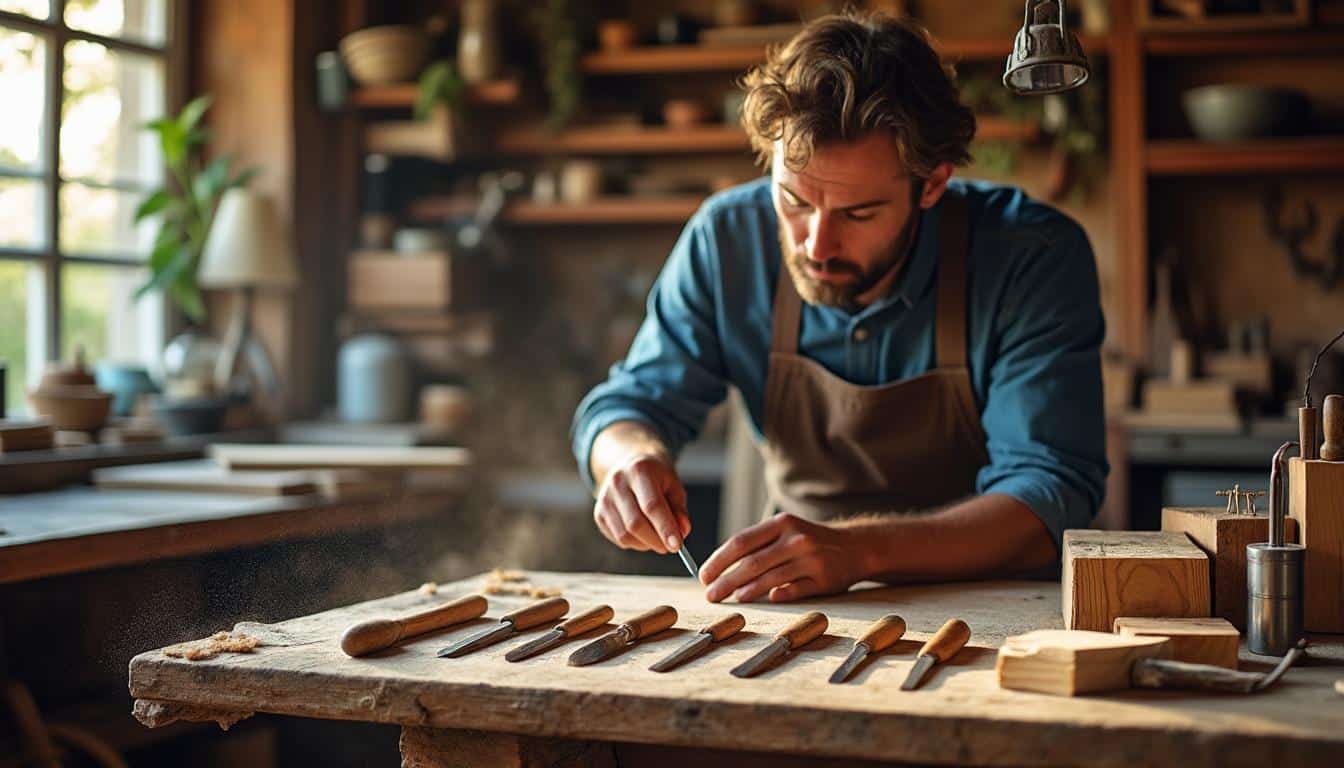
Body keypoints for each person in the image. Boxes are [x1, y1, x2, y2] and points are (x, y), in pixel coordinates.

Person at [571, 11, 1108, 604]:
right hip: (793, 605)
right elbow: (630, 405)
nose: (816, 245)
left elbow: (1047, 496)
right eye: (794, 200)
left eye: (857, 214)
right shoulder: (727, 241)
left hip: (989, 611)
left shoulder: (1029, 257)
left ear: (932, 184)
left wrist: (859, 552)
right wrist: (627, 458)